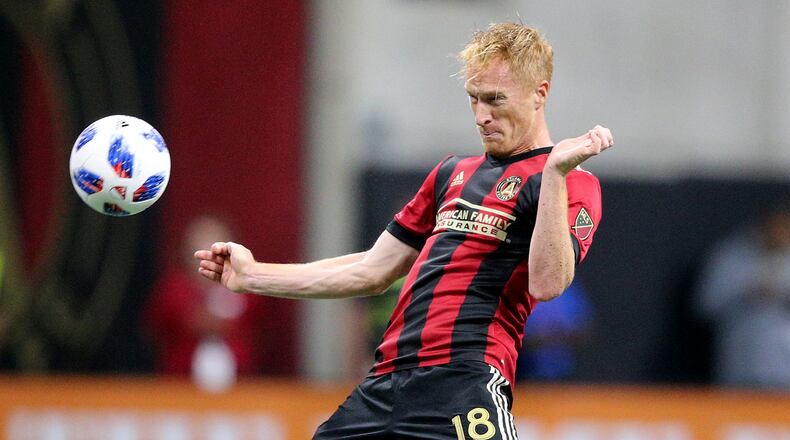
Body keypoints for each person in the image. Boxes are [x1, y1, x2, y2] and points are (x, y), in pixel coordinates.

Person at [195, 23, 613, 439]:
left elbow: (547, 284)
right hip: (384, 387)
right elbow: (371, 270)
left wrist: (554, 174)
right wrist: (253, 275)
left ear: (540, 93)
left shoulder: (570, 183)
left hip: (464, 385)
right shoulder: (451, 173)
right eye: (473, 98)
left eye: (495, 100)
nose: (481, 116)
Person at [694, 204, 790, 390]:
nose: (780, 233)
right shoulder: (732, 257)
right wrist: (746, 293)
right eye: (776, 226)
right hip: (741, 361)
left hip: (784, 367)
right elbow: (705, 305)